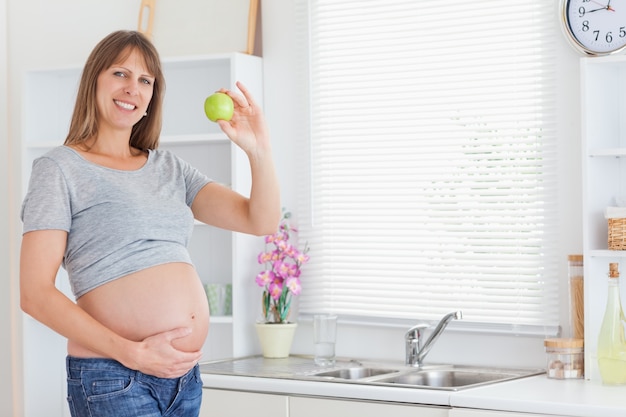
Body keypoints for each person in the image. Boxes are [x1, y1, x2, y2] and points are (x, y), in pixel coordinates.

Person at [19, 30, 280, 417]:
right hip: (114, 376)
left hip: (182, 379)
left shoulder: (169, 168)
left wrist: (258, 148)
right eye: (120, 74)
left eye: (145, 81)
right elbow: (34, 294)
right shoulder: (59, 169)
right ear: (94, 80)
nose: (132, 89)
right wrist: (133, 353)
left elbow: (260, 220)